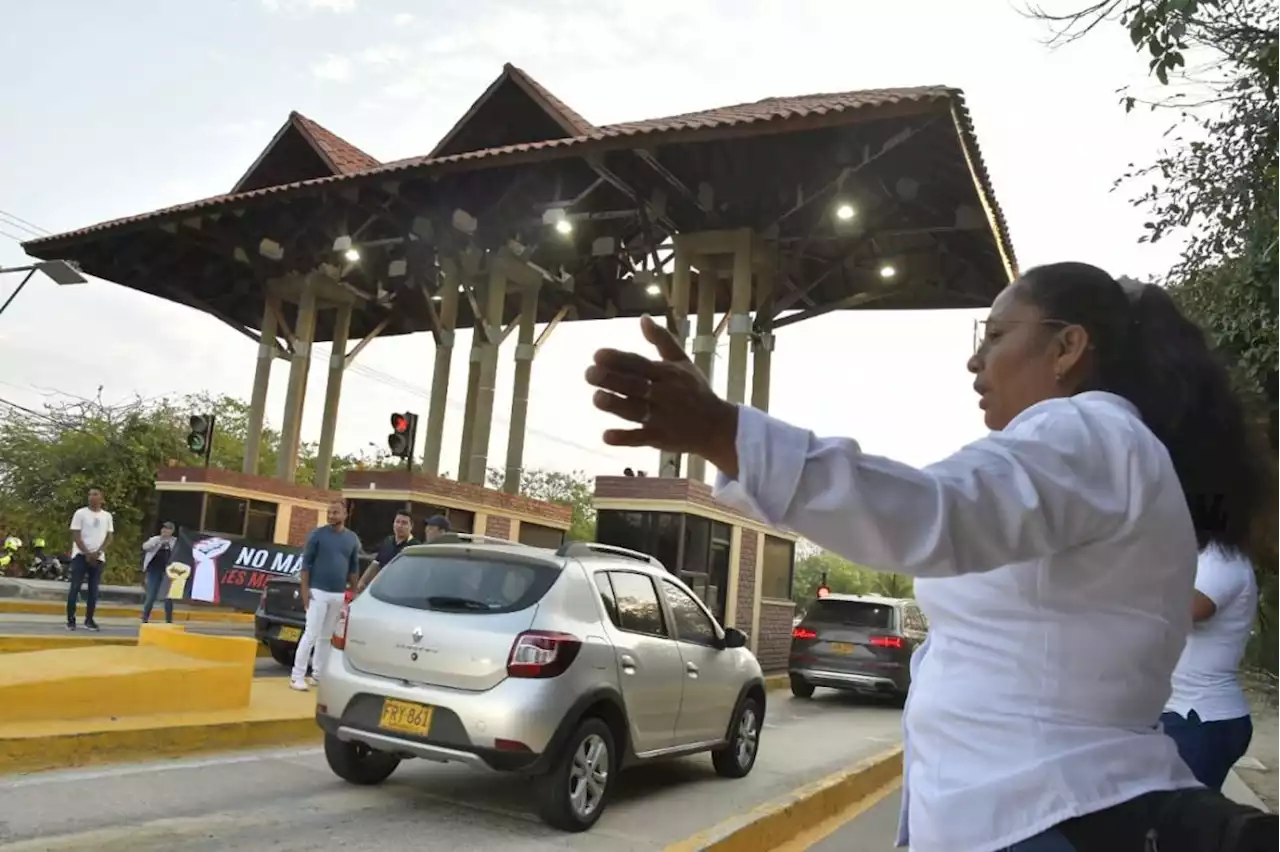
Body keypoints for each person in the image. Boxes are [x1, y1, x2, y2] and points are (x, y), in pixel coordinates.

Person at [585, 263, 1276, 851]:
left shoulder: (1085, 432)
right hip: (1024, 807)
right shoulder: (1098, 449)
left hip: (1038, 811)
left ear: (1067, 347)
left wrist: (723, 431)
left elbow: (931, 510)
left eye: (996, 336)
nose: (976, 361)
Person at [1161, 543, 1260, 791]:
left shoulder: (1223, 559)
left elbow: (1184, 609)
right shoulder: (1194, 556)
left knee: (1176, 823)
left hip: (1200, 719)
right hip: (1180, 714)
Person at [291, 499, 360, 692]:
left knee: (326, 637)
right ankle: (297, 676)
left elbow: (353, 567)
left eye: (336, 512)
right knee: (310, 634)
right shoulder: (317, 535)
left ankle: (318, 675)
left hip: (338, 594)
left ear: (345, 514)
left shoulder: (352, 539)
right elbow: (306, 564)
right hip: (317, 592)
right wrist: (305, 590)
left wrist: (353, 592)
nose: (331, 516)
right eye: (329, 512)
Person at [67, 487, 114, 632]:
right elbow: (76, 534)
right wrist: (87, 552)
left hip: (98, 557)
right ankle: (71, 620)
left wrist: (98, 552)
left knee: (93, 590)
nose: (91, 497)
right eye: (89, 494)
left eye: (95, 494)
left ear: (101, 498)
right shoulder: (80, 513)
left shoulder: (106, 516)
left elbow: (109, 536)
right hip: (81, 556)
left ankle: (89, 619)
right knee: (75, 587)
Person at [354, 509, 418, 594]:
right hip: (383, 588)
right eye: (397, 522)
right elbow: (376, 564)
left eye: (404, 523)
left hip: (402, 590)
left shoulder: (415, 546)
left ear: (411, 526)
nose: (399, 526)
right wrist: (362, 582)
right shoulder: (388, 541)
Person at [140, 521, 177, 624]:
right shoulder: (155, 539)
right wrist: (159, 541)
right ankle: (145, 617)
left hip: (168, 572)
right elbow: (145, 547)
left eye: (168, 529)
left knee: (168, 596)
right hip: (154, 570)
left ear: (172, 531)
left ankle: (169, 620)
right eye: (164, 528)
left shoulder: (175, 542)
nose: (165, 530)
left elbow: (178, 553)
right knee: (151, 594)